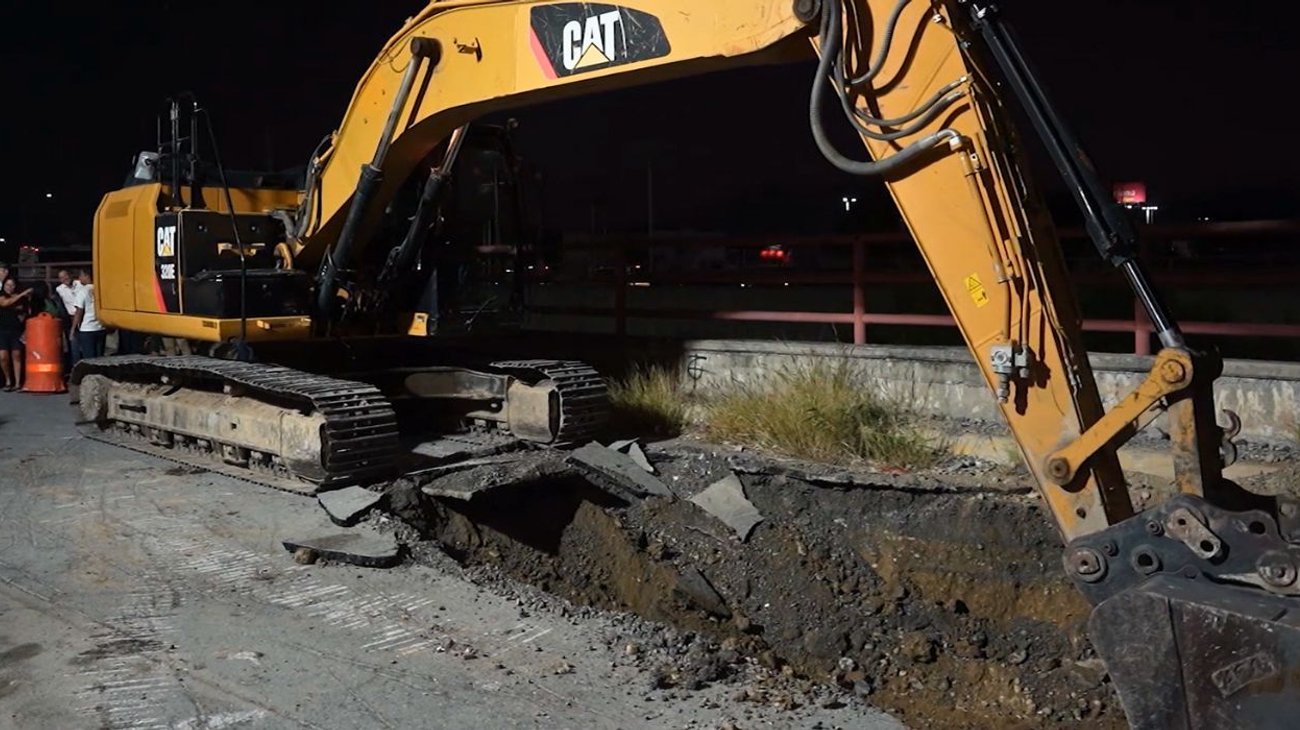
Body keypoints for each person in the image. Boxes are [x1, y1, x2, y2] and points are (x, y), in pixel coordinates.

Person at [0, 277, 32, 391]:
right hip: (2, 330)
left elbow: (26, 312)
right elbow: (5, 303)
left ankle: (18, 382)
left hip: (16, 330)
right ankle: (8, 379)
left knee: (17, 355)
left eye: (12, 285)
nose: (10, 287)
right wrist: (22, 294)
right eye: (7, 285)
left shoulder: (22, 299)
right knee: (3, 356)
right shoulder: (2, 296)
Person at [71, 267, 106, 364]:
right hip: (100, 327)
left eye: (81, 275)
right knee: (100, 358)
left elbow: (79, 311)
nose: (79, 278)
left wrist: (73, 328)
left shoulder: (83, 291)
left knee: (89, 359)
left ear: (87, 276)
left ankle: (91, 376)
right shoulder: (100, 290)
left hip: (87, 328)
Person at [55, 269, 82, 371]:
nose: (64, 279)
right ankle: (76, 368)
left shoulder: (79, 284)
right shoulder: (59, 289)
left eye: (65, 276)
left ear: (70, 275)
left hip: (83, 316)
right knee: (73, 344)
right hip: (71, 318)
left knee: (84, 343)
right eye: (61, 277)